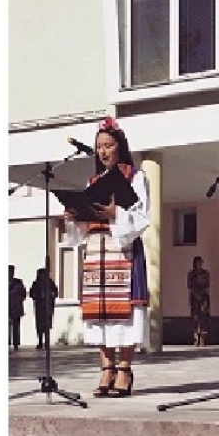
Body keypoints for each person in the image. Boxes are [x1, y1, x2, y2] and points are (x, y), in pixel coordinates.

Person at [63, 116, 151, 398]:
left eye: (108, 145)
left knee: (126, 313)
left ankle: (124, 369)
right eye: (99, 146)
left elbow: (142, 218)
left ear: (119, 147)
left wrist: (115, 213)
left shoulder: (136, 177)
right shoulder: (92, 181)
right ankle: (106, 367)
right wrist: (75, 217)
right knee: (99, 313)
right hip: (97, 250)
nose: (103, 152)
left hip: (123, 250)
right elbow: (82, 227)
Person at [29, 267, 59, 349]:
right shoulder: (36, 283)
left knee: (47, 325)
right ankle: (40, 341)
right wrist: (36, 295)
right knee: (39, 325)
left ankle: (46, 341)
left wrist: (51, 295)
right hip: (39, 306)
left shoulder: (50, 283)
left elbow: (55, 292)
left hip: (48, 306)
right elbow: (31, 293)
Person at [187, 256, 211, 347]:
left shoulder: (206, 273)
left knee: (204, 317)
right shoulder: (191, 274)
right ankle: (196, 338)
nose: (199, 264)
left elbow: (207, 285)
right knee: (195, 317)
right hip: (194, 297)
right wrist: (196, 294)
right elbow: (189, 286)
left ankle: (202, 338)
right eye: (197, 263)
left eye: (201, 262)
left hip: (204, 297)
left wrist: (201, 294)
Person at [8, 265, 27, 352]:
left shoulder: (18, 282)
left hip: (16, 307)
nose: (10, 273)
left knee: (16, 326)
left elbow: (23, 294)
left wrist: (18, 300)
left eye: (12, 271)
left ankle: (16, 343)